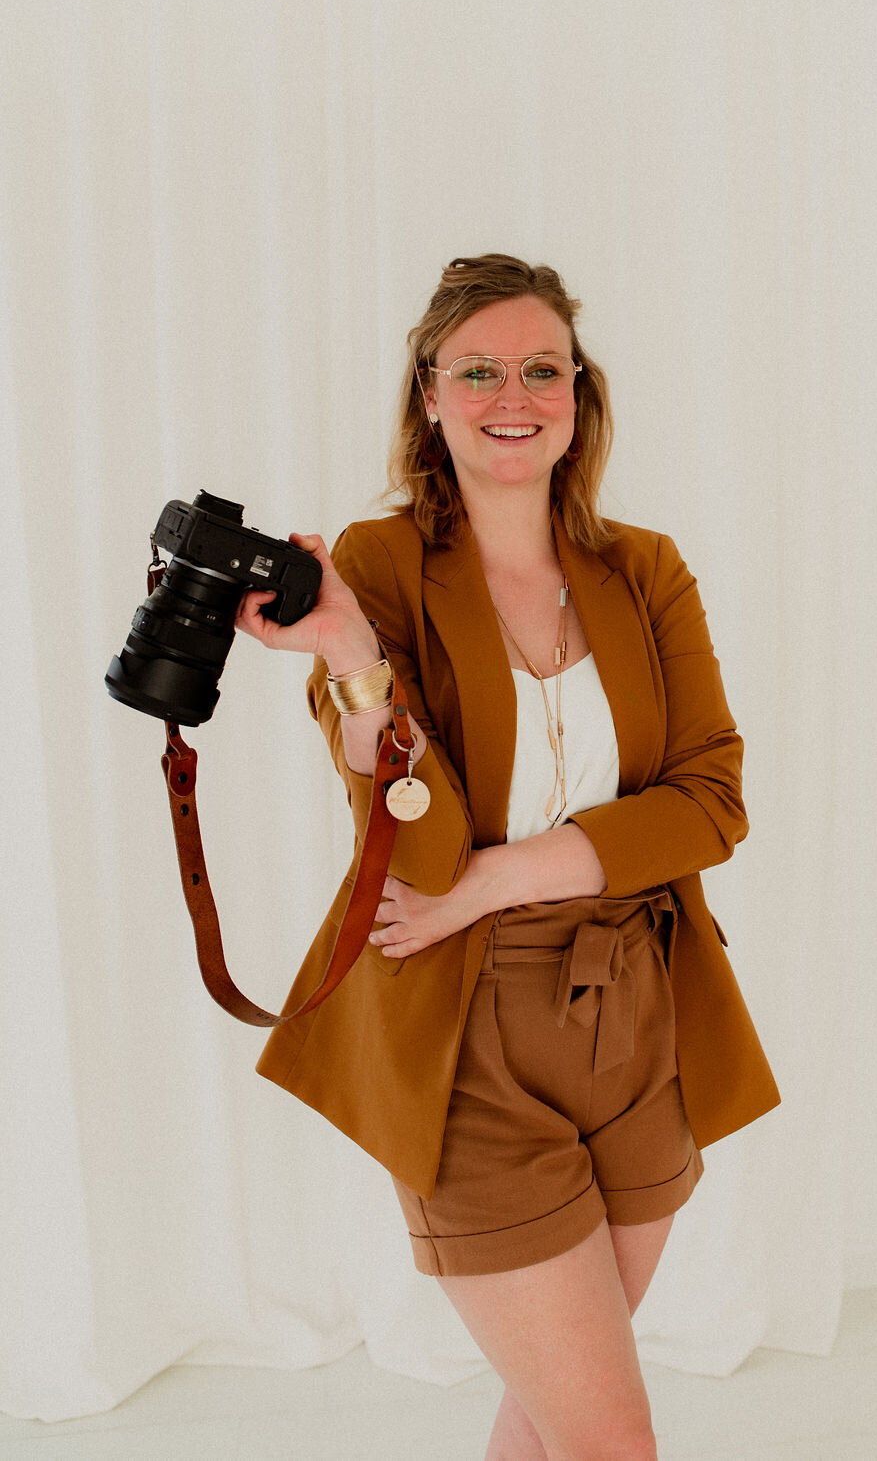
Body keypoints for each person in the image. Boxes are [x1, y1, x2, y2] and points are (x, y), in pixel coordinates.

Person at [236, 254, 780, 1461]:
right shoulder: (377, 570)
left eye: (542, 368)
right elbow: (421, 852)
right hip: (461, 1030)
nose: (511, 394)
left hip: (638, 1014)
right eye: (475, 370)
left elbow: (712, 802)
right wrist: (347, 656)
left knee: (553, 1420)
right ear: (427, 396)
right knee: (607, 1438)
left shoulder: (644, 569)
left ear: (578, 395)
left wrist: (500, 875)